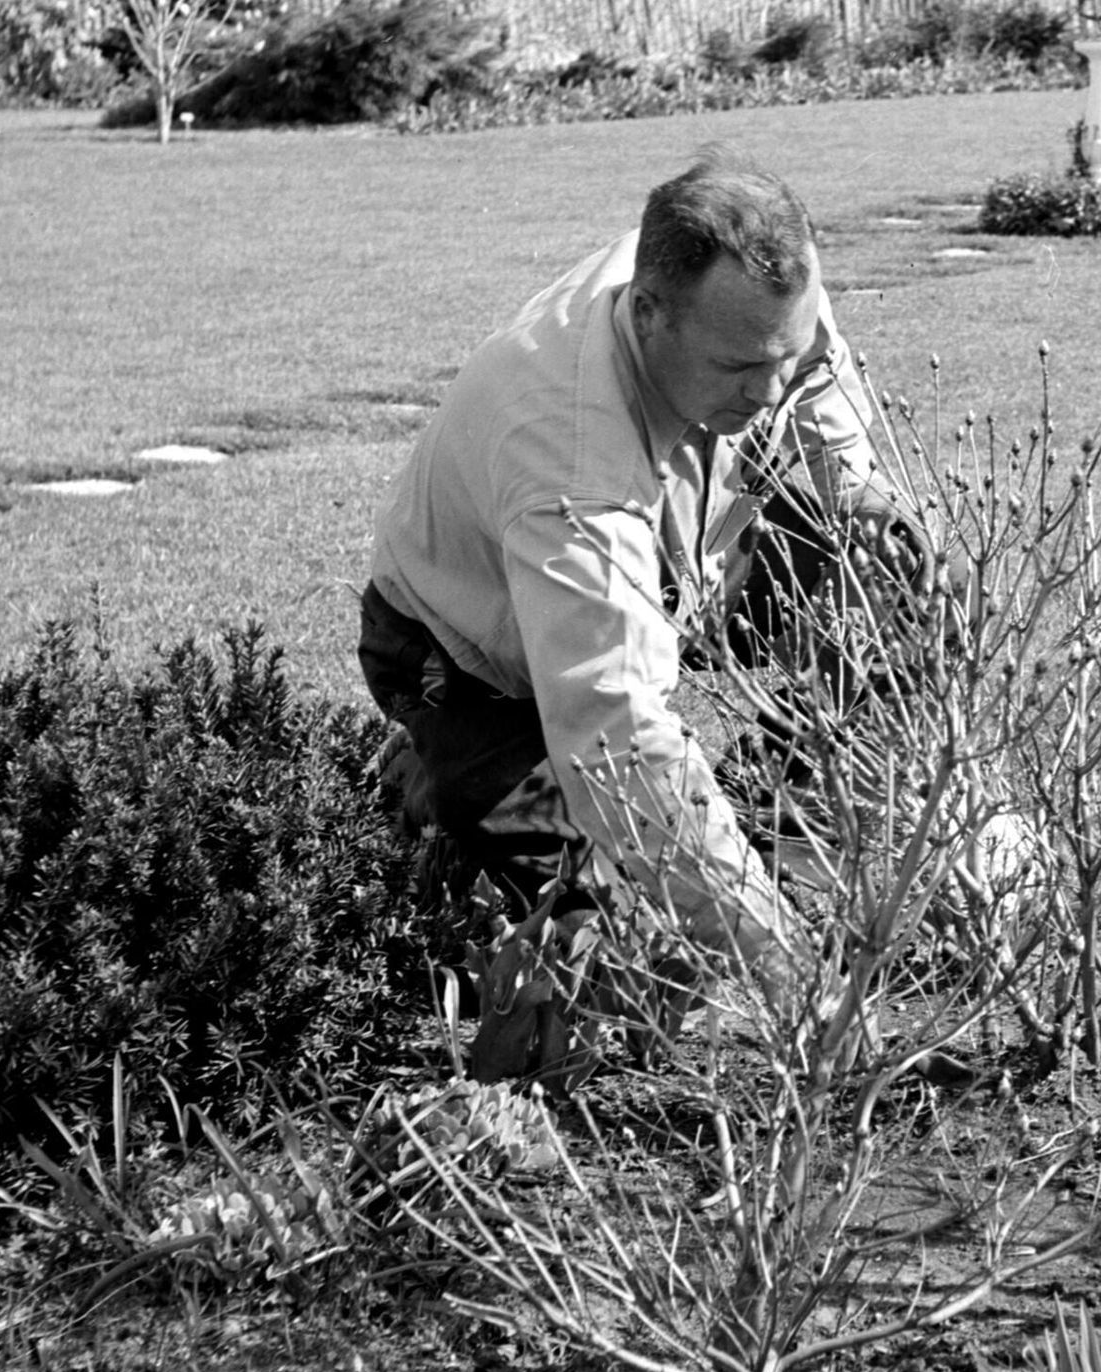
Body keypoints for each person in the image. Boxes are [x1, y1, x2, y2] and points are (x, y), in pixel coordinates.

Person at [358, 153, 922, 997]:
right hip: (468, 658)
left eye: (784, 354)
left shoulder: (748, 289)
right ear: (648, 313)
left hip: (683, 564)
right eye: (740, 370)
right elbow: (614, 734)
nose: (770, 393)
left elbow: (811, 363)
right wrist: (782, 965)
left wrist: (860, 496)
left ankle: (767, 832)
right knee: (628, 942)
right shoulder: (569, 463)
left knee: (902, 571)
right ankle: (437, 778)